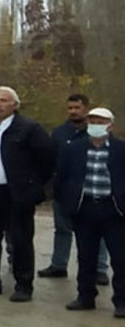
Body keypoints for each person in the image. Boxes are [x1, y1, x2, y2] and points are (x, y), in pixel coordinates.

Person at [0, 86, 55, 302]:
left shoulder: (29, 128)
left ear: (15, 105)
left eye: (3, 100)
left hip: (17, 193)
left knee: (20, 240)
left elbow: (46, 160)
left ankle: (23, 285)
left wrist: (34, 189)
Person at [54, 107, 125, 317]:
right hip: (84, 208)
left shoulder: (121, 150)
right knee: (86, 257)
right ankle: (85, 297)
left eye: (101, 121)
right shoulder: (74, 149)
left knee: (120, 258)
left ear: (110, 125)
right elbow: (62, 178)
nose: (96, 124)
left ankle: (121, 301)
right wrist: (66, 202)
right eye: (92, 120)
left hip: (113, 210)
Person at [41, 94, 110, 285]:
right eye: (70, 108)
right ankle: (58, 265)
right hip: (63, 190)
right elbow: (51, 159)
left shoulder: (95, 132)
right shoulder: (59, 133)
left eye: (77, 108)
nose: (73, 111)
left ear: (86, 109)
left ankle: (100, 268)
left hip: (89, 190)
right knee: (62, 229)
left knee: (97, 231)